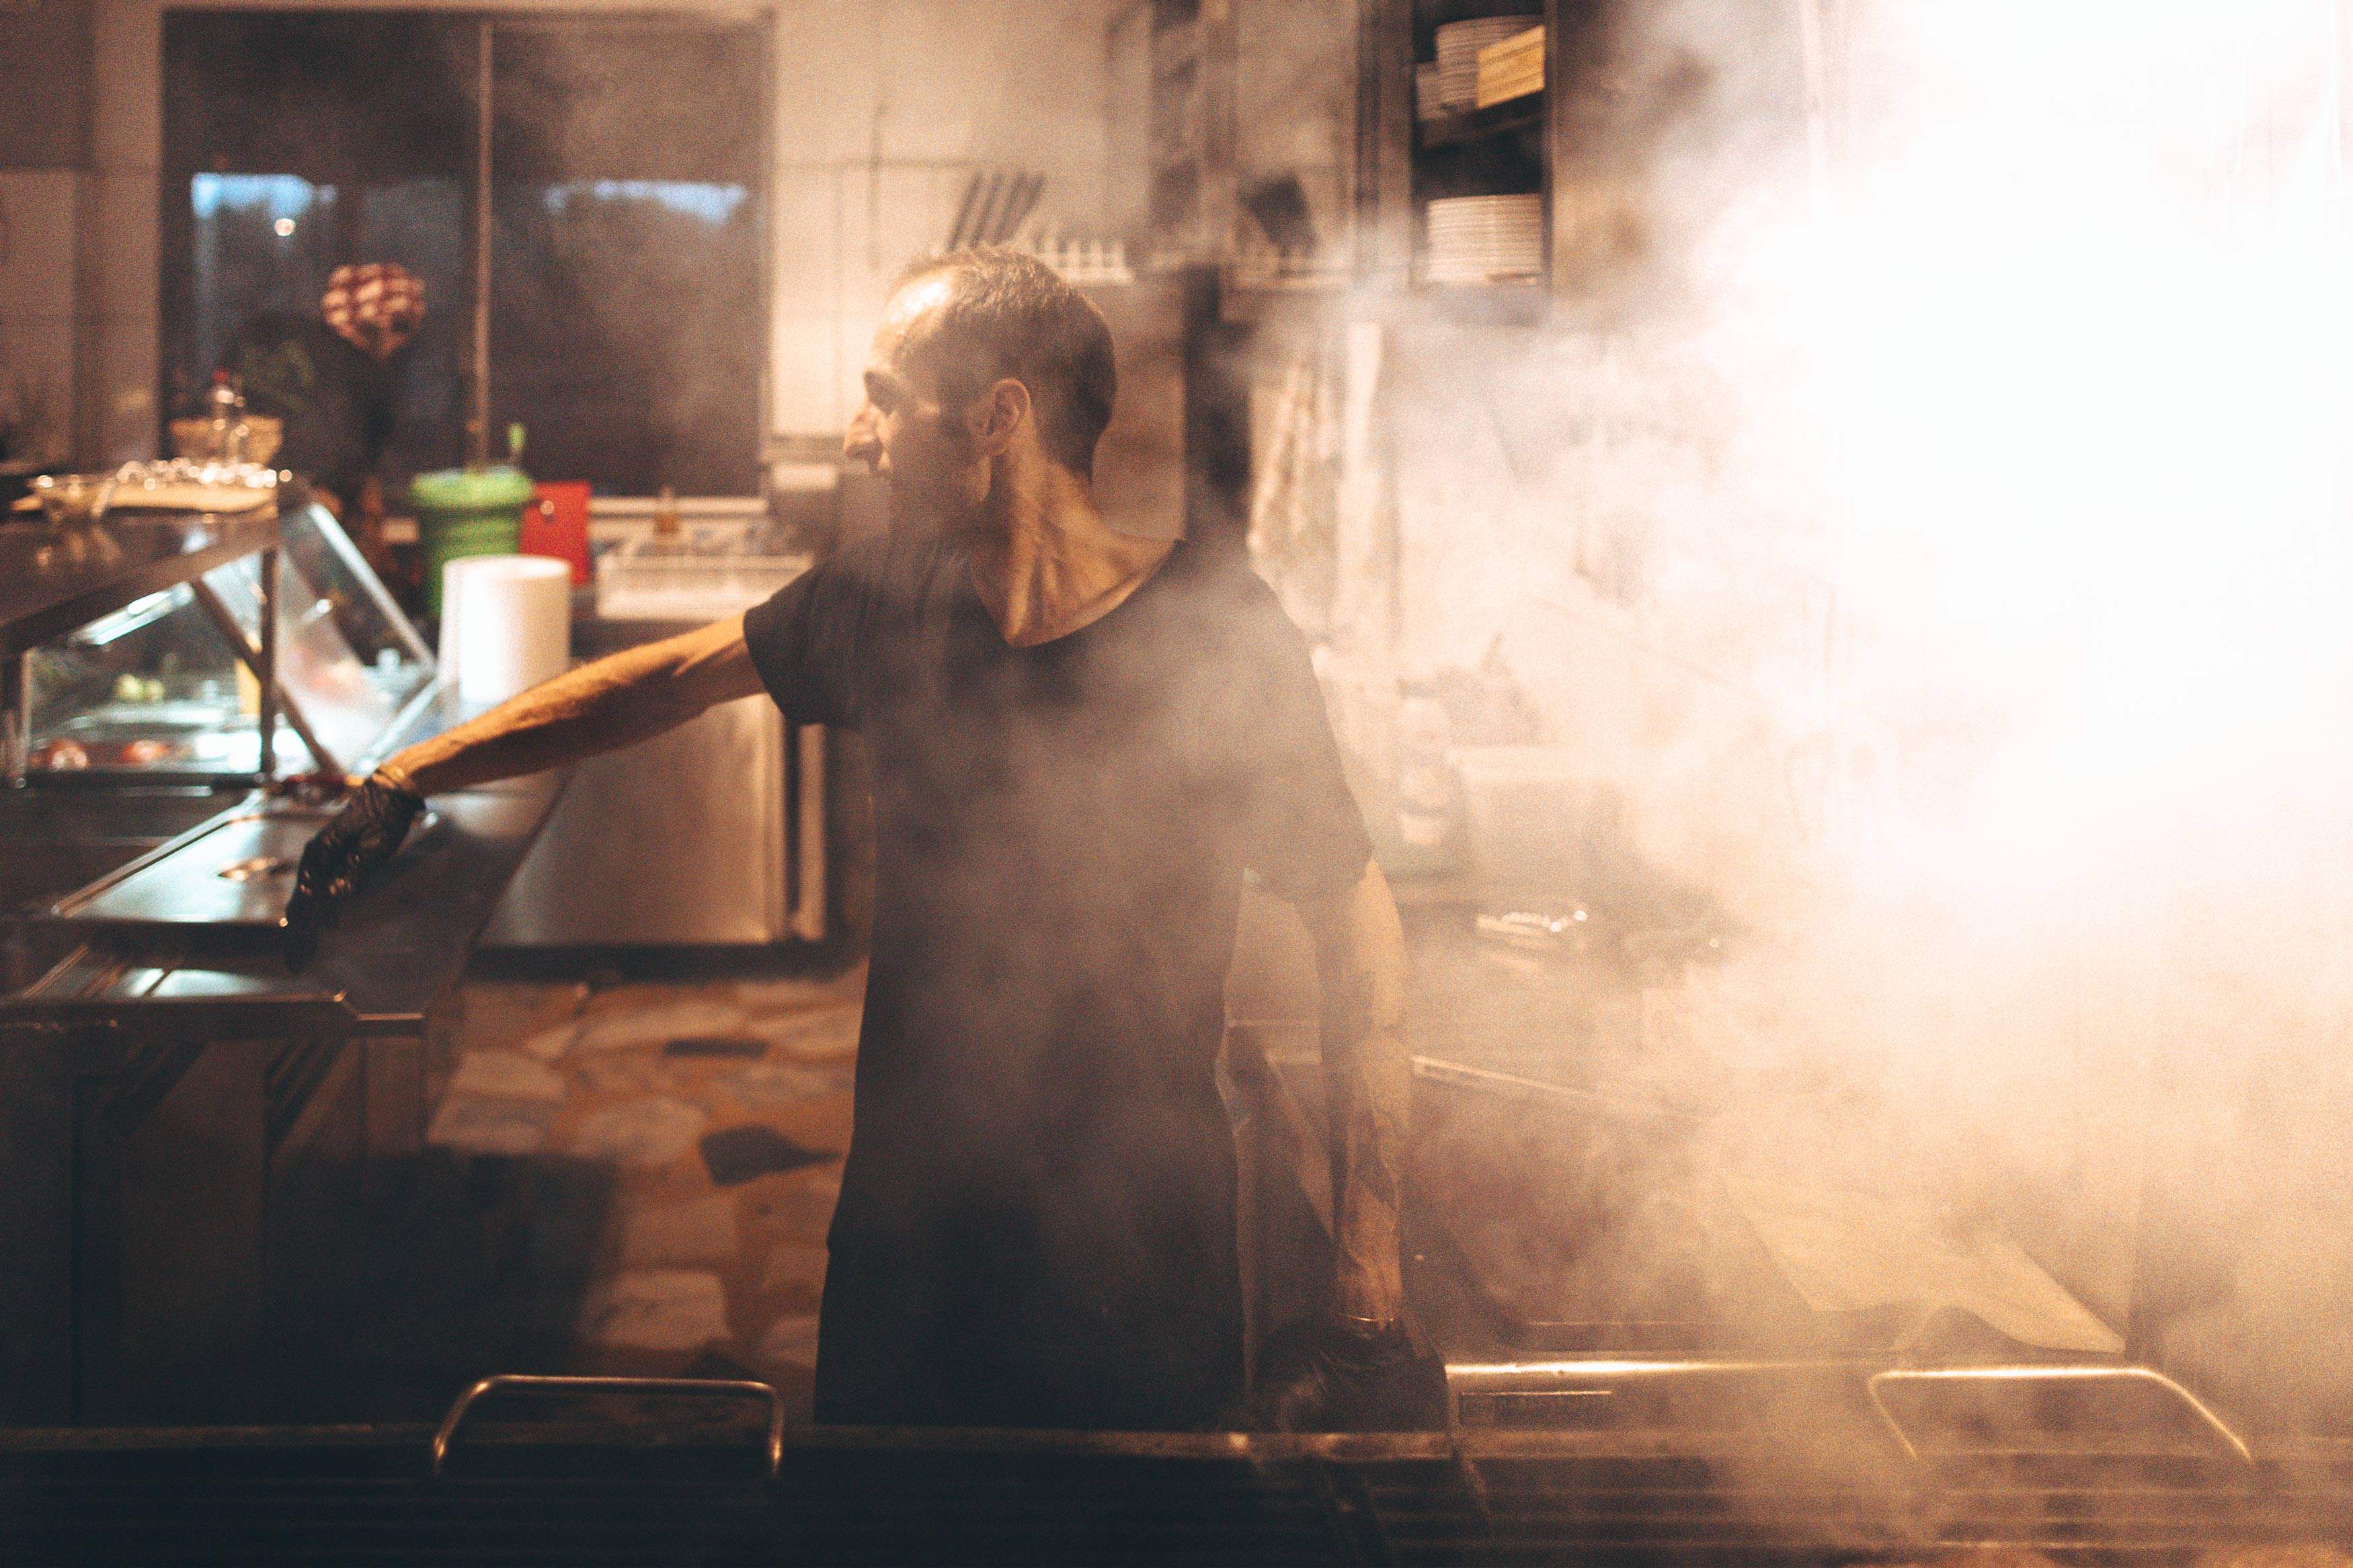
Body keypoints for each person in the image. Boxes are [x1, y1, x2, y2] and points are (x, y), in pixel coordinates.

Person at [282, 248, 1438, 1431]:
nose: (856, 436)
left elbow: (1354, 916)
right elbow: (664, 680)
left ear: (998, 418)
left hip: (1137, 1243)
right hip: (909, 1223)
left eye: (886, 397)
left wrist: (1369, 1260)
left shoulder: (1213, 635)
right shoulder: (889, 597)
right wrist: (410, 774)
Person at [222, 261, 424, 518]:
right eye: (402, 328)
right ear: (378, 326)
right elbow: (342, 457)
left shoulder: (277, 331)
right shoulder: (357, 369)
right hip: (296, 502)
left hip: (236, 492)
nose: (401, 343)